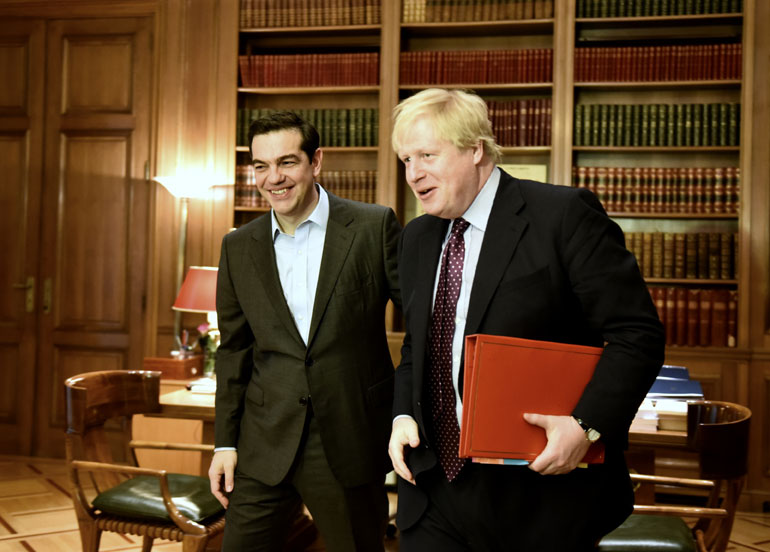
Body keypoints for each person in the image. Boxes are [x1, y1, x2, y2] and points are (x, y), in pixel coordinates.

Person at [387, 88, 665, 551]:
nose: (414, 173)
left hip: (538, 494)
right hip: (432, 492)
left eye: (427, 155)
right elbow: (419, 345)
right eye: (406, 159)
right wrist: (401, 414)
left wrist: (586, 427)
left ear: (476, 149)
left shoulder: (562, 215)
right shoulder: (416, 237)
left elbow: (637, 335)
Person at [209, 111, 401, 551]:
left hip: (348, 436)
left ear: (315, 162)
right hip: (263, 440)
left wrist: (406, 412)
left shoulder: (373, 227)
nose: (273, 178)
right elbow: (234, 351)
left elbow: (421, 324)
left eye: (287, 162)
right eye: (261, 166)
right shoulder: (237, 246)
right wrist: (224, 443)